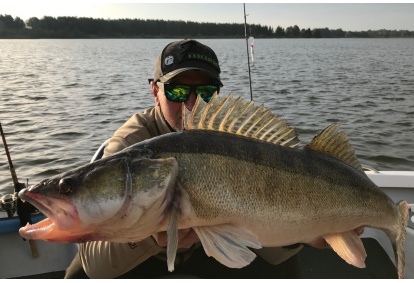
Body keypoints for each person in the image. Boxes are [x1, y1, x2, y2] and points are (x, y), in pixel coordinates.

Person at [64, 39, 362, 279]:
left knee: (283, 267)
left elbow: (272, 241)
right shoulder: (130, 144)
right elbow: (95, 262)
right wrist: (151, 239)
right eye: (178, 91)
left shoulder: (243, 141)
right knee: (78, 275)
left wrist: (306, 233)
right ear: (155, 91)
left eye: (206, 92)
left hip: (217, 250)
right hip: (148, 259)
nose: (192, 103)